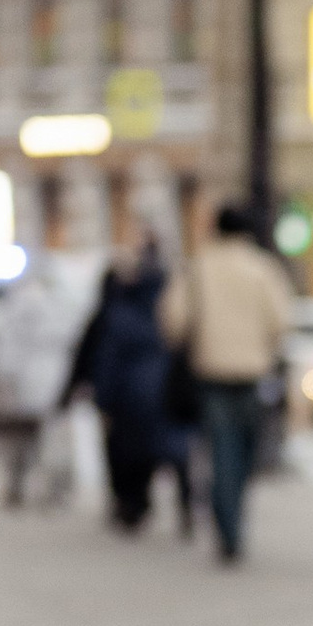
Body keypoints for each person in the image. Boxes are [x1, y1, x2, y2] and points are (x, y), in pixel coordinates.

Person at [161, 200, 291, 563]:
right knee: (245, 452)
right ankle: (233, 521)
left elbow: (173, 321)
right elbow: (281, 322)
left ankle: (226, 524)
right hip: (252, 374)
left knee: (221, 452)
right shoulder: (262, 268)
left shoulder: (198, 268)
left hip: (211, 372)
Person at [68, 243, 193, 536]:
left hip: (128, 400)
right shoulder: (166, 317)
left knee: (126, 455)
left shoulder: (118, 316)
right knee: (169, 453)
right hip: (162, 397)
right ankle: (178, 506)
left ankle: (132, 506)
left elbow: (105, 361)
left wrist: (103, 399)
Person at [0, 260, 77, 508]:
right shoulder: (63, 303)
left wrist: (3, 379)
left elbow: (7, 344)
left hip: (28, 381)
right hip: (53, 381)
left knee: (21, 439)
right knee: (48, 439)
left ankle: (21, 487)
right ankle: (48, 490)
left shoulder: (21, 302)